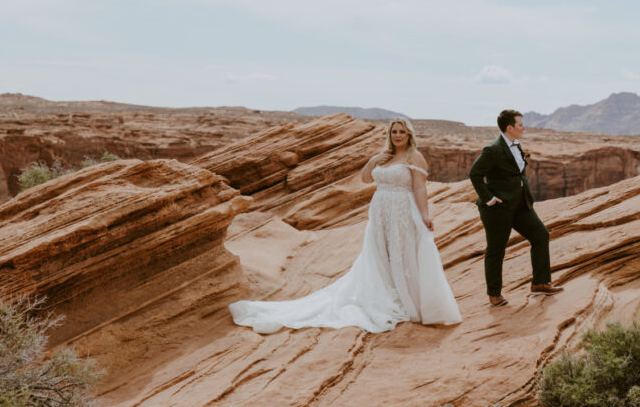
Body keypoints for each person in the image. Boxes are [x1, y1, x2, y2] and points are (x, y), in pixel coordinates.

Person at [229, 117, 461, 333]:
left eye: (402, 132)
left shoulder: (414, 156)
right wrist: (372, 162)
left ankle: (407, 299)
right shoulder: (384, 156)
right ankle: (386, 293)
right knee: (381, 251)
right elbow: (366, 179)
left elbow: (419, 188)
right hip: (380, 208)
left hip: (401, 208)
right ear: (389, 134)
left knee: (402, 252)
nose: (398, 135)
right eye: (394, 132)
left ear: (409, 135)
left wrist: (424, 215)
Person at [469, 109, 564, 306]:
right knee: (496, 250)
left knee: (541, 235)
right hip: (498, 208)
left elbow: (516, 172)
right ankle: (494, 294)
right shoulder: (492, 149)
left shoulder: (516, 144)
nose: (524, 127)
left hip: (520, 205)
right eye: (520, 125)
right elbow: (475, 174)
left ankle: (540, 283)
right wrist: (489, 199)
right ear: (509, 127)